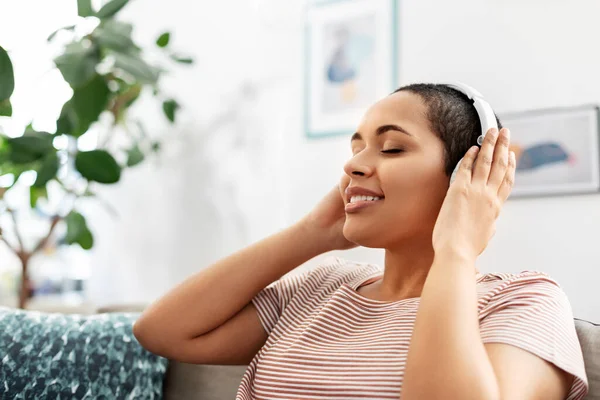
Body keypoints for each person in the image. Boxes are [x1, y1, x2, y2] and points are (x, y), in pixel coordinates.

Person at [133, 83, 589, 400]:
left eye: (391, 148)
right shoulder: (324, 287)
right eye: (356, 150)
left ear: (464, 177)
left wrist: (456, 250)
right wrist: (311, 234)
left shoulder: (523, 301)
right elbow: (162, 330)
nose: (354, 166)